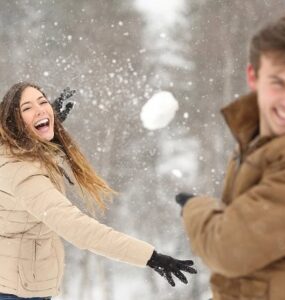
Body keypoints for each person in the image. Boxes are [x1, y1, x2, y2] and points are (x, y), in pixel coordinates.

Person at [0, 82, 196, 300]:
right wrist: (150, 257)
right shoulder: (24, 176)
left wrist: (37, 126)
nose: (40, 109)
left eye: (42, 102)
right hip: (15, 292)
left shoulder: (13, 152)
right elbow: (78, 228)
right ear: (13, 123)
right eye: (27, 108)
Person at [175, 14, 285, 300]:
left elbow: (228, 249)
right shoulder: (257, 141)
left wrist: (195, 208)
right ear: (253, 77)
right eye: (278, 83)